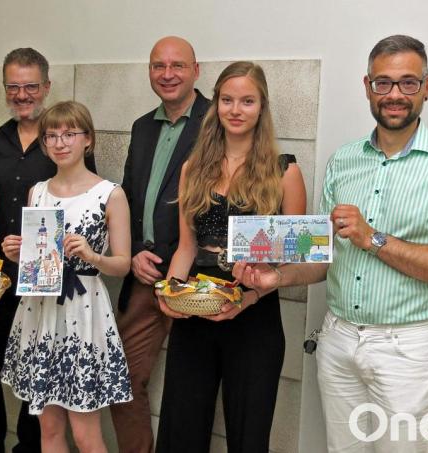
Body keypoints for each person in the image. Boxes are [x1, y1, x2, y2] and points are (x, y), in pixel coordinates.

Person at [233, 35, 428, 453]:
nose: (394, 94)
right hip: (338, 340)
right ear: (367, 86)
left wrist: (372, 238)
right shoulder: (343, 160)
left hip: (406, 348)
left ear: (426, 88)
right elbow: (322, 257)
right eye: (383, 82)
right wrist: (273, 278)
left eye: (408, 83)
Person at [155, 61, 307, 453]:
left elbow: (295, 258)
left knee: (248, 437)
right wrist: (170, 292)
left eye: (247, 101)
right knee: (181, 433)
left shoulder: (284, 172)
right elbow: (186, 247)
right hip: (196, 310)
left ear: (262, 107)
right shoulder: (193, 168)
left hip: (255, 314)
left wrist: (251, 296)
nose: (235, 110)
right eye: (227, 100)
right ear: (216, 104)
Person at [0, 47, 97, 453]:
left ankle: (29, 447)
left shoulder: (64, 141)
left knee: (36, 369)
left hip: (48, 283)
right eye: (13, 87)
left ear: (46, 86)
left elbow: (88, 202)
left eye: (30, 86)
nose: (21, 94)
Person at [0, 100, 132, 453]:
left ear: (87, 139)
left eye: (69, 134)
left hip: (83, 311)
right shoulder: (37, 191)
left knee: (86, 434)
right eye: (51, 135)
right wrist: (18, 254)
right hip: (41, 309)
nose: (60, 143)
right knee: (49, 429)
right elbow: (38, 256)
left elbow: (123, 264)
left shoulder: (110, 194)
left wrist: (92, 256)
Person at [111, 36, 210, 453]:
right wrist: (134, 250)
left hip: (198, 280)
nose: (167, 74)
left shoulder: (216, 121)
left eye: (177, 65)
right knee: (121, 379)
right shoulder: (142, 127)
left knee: (192, 390)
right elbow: (130, 198)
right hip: (144, 275)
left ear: (196, 71)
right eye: (158, 66)